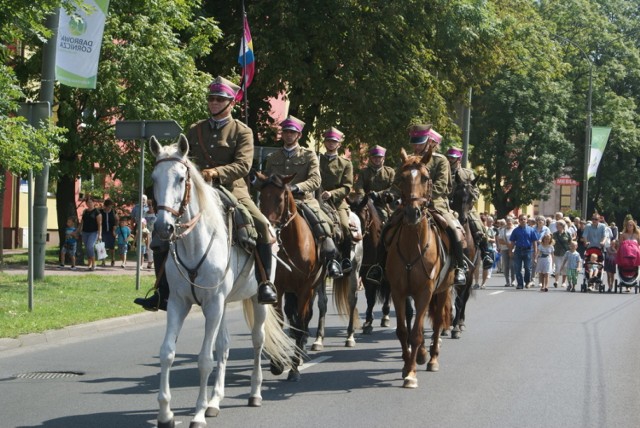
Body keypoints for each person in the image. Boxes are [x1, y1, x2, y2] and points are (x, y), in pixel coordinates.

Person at [134, 76, 277, 311]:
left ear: (231, 103)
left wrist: (216, 173)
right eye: (211, 98)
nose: (213, 103)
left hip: (232, 190)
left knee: (260, 225)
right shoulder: (196, 129)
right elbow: (183, 160)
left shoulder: (242, 131)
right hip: (196, 191)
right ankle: (162, 291)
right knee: (161, 233)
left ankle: (264, 284)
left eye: (219, 99)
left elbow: (243, 166)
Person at [367, 124, 466, 287]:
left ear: (428, 141)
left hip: (435, 204)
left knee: (453, 230)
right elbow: (398, 184)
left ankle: (460, 268)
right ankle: (378, 267)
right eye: (414, 143)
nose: (416, 146)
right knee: (387, 227)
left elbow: (442, 186)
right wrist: (391, 194)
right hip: (409, 204)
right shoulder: (408, 160)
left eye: (420, 142)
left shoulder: (440, 160)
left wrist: (423, 198)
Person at [258, 115, 344, 279]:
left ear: (299, 135)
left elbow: (315, 180)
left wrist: (296, 187)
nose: (288, 135)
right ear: (282, 134)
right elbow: (268, 179)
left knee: (324, 224)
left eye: (292, 132)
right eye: (286, 132)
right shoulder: (273, 158)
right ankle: (258, 264)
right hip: (278, 203)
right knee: (258, 224)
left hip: (303, 200)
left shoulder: (309, 155)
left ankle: (331, 260)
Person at [445, 147, 493, 269]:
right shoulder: (444, 172)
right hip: (448, 206)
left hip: (466, 207)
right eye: (449, 157)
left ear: (458, 159)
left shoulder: (467, 173)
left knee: (478, 225)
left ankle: (485, 253)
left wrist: (471, 197)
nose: (450, 160)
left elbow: (476, 190)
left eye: (452, 158)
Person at [319, 126, 354, 273]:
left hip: (337, 202)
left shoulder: (345, 163)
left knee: (345, 226)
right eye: (328, 141)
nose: (331, 143)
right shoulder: (316, 159)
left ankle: (345, 259)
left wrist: (332, 194)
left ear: (339, 144)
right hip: (316, 199)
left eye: (334, 141)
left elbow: (347, 187)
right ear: (325, 142)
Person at [353, 145, 395, 222]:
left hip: (383, 203)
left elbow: (392, 188)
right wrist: (365, 197)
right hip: (366, 203)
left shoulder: (390, 172)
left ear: (383, 158)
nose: (377, 159)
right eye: (374, 157)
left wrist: (378, 194)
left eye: (379, 157)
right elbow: (358, 186)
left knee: (385, 218)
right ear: (370, 158)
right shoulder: (364, 172)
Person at [509, 214, 538, 289]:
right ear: (519, 221)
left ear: (527, 220)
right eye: (521, 219)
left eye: (524, 219)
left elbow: (534, 241)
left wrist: (535, 252)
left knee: (527, 268)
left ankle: (527, 282)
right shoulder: (515, 230)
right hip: (518, 250)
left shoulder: (531, 230)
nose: (522, 221)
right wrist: (510, 251)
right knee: (517, 268)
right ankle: (520, 284)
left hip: (528, 251)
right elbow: (512, 241)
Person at [77, 195, 102, 271]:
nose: (89, 203)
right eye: (88, 202)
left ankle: (94, 264)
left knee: (90, 247)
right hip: (85, 232)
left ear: (93, 202)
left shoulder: (97, 212)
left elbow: (99, 224)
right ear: (86, 203)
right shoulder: (85, 211)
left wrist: (99, 234)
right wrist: (78, 231)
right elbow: (82, 222)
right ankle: (89, 263)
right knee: (87, 248)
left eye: (91, 202)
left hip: (93, 232)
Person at [552, 220, 572, 288]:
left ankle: (563, 282)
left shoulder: (567, 234)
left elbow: (570, 243)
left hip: (565, 253)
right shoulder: (554, 234)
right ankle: (556, 281)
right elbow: (551, 243)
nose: (557, 227)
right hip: (557, 252)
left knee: (565, 268)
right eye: (556, 225)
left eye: (558, 225)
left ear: (562, 226)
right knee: (557, 267)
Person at [498, 215, 516, 287]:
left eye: (510, 222)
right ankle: (507, 281)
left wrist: (511, 246)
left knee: (512, 265)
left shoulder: (515, 229)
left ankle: (513, 280)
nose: (509, 223)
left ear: (512, 222)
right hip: (505, 249)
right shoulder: (503, 230)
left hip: (514, 249)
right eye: (508, 222)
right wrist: (507, 244)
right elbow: (500, 240)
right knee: (506, 266)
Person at [100, 199, 118, 267]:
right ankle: (103, 260)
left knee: (111, 246)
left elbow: (117, 220)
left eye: (111, 206)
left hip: (111, 231)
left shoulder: (113, 211)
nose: (109, 208)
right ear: (105, 206)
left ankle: (112, 259)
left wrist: (115, 226)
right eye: (108, 206)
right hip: (103, 230)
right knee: (102, 246)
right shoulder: (101, 212)